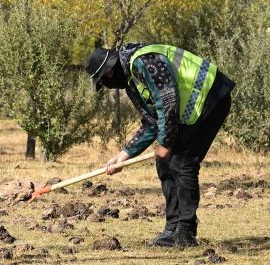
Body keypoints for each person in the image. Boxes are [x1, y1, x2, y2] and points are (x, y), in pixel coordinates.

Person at [85, 43, 235, 247]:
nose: (109, 86)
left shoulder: (144, 62)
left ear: (110, 71)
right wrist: (124, 155)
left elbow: (168, 102)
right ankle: (172, 228)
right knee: (164, 162)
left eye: (104, 81)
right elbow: (151, 122)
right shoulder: (131, 78)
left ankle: (185, 232)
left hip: (211, 97)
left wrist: (166, 142)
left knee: (182, 163)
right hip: (194, 108)